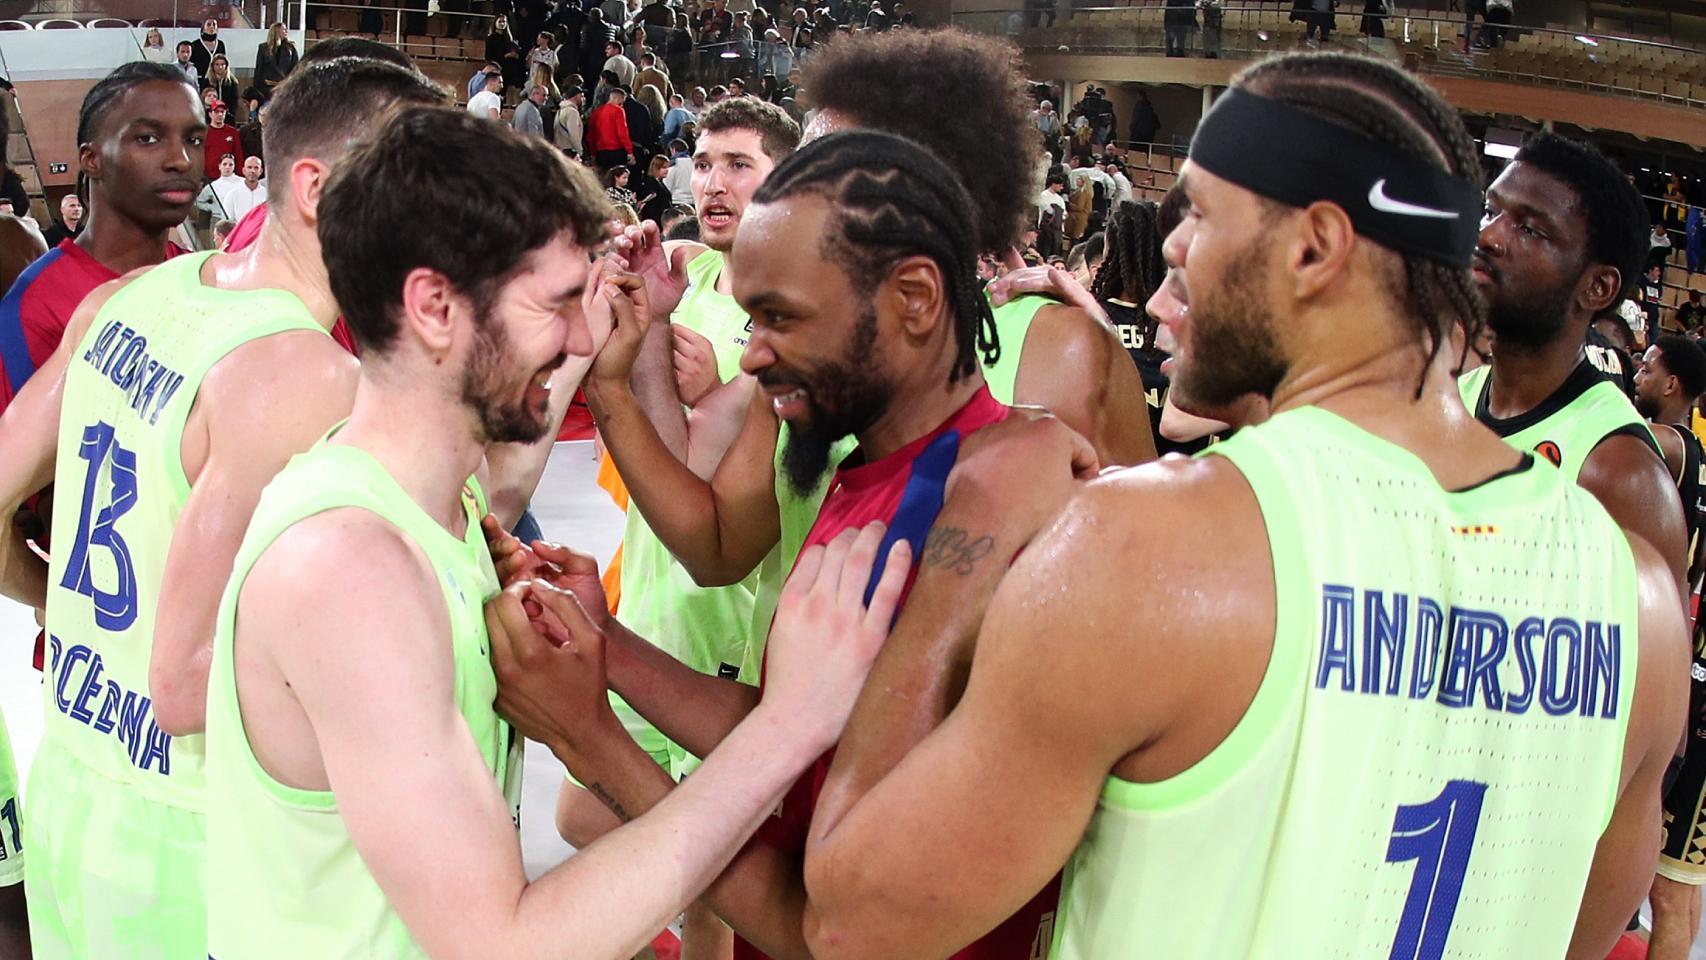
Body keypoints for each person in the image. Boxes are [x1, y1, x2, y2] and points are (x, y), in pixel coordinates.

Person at [783, 51, 1688, 960]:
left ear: (1314, 249)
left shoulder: (1150, 544)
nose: (1171, 255)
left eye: (1200, 216)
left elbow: (857, 921)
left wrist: (971, 528)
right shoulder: (1642, 603)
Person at [514, 127, 1079, 960]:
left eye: (780, 318)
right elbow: (804, 730)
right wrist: (603, 643)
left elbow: (837, 932)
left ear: (915, 298)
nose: (753, 356)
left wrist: (588, 736)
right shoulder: (871, 465)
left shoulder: (991, 503)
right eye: (751, 319)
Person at [0, 58, 446, 959]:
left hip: (74, 782)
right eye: (424, 182)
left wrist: (56, 602)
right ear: (316, 189)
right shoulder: (305, 373)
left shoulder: (126, 296)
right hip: (195, 832)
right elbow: (179, 687)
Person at [1463, 133, 1689, 591]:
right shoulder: (1451, 399)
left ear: (1598, 287)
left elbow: (1660, 639)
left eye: (1530, 229)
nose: (1488, 235)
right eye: (1491, 211)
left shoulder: (1622, 473)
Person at [0, 61, 200, 412]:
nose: (181, 160)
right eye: (148, 138)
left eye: (193, 140)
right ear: (92, 159)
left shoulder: (207, 280)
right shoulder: (35, 306)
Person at [1633, 333, 1706, 960]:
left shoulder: (1671, 445)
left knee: (1671, 890)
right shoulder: (1697, 456)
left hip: (1691, 692)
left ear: (1673, 384)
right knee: (1675, 883)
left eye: (1649, 366)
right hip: (1684, 667)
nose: (1639, 372)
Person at [587, 85, 635, 168]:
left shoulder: (596, 112)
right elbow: (622, 134)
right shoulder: (618, 110)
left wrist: (593, 154)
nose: (622, 105)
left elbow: (591, 135)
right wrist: (629, 152)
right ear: (617, 99)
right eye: (621, 103)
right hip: (616, 152)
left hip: (600, 152)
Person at [253, 22, 299, 100]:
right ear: (276, 31)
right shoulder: (263, 48)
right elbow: (259, 70)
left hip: (284, 88)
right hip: (267, 89)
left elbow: (295, 69)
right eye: (284, 29)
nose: (286, 32)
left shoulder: (291, 48)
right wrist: (256, 91)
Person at [202, 100, 241, 180]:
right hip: (208, 178)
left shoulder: (232, 132)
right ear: (210, 114)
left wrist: (240, 176)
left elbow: (238, 154)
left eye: (222, 112)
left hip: (228, 177)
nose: (220, 114)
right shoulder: (203, 132)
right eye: (216, 111)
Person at [489, 15, 527, 96]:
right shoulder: (491, 38)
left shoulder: (508, 38)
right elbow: (489, 56)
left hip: (509, 68)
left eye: (504, 22)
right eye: (500, 22)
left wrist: (515, 54)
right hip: (498, 67)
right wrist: (506, 55)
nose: (502, 24)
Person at [196, 152, 242, 218]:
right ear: (219, 166)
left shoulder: (242, 182)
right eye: (224, 164)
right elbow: (199, 202)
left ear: (234, 166)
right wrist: (213, 208)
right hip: (218, 218)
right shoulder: (213, 186)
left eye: (231, 165)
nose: (227, 167)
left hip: (239, 218)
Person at [554, 85, 586, 156]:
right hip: (569, 151)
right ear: (576, 97)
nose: (584, 99)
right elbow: (574, 134)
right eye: (582, 96)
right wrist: (580, 151)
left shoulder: (561, 110)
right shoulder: (572, 112)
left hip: (560, 150)